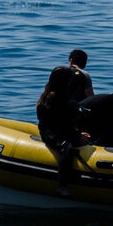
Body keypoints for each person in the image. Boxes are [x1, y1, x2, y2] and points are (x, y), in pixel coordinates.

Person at [36, 66, 90, 196]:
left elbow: (62, 121)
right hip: (50, 133)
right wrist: (76, 136)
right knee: (67, 149)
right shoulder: (54, 96)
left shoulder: (55, 93)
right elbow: (62, 123)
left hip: (53, 129)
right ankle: (62, 185)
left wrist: (77, 133)